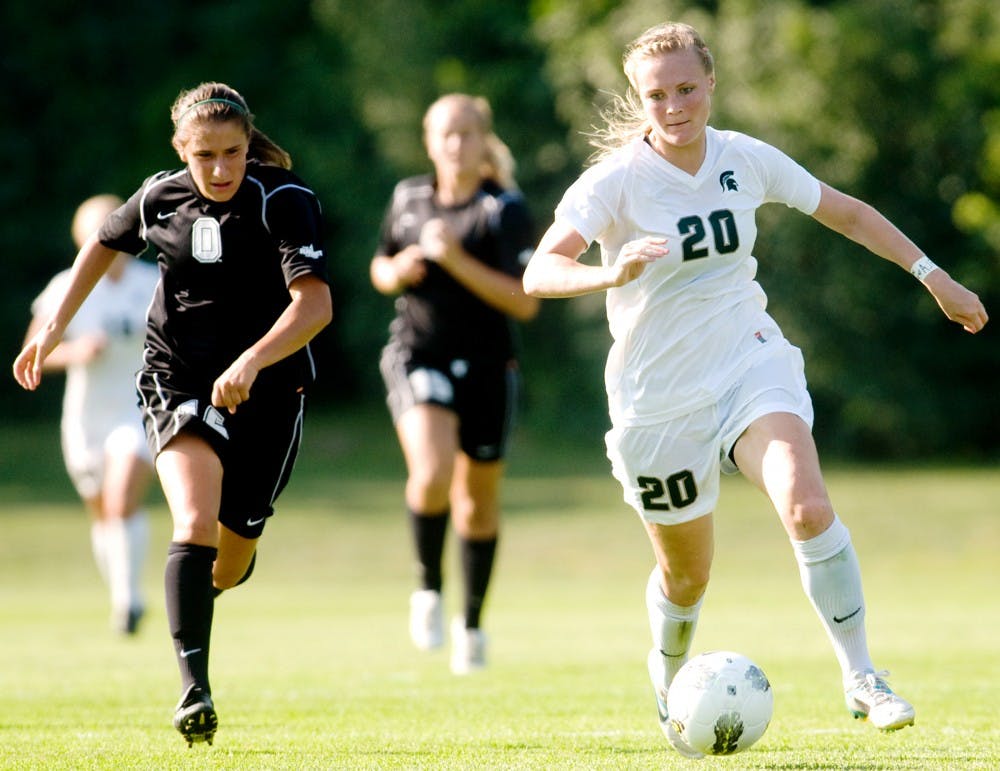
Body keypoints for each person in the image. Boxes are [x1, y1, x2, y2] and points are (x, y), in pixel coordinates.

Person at [522, 21, 987, 757]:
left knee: (806, 503)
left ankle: (863, 675)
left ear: (709, 84)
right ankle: (670, 680)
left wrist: (934, 276)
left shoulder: (744, 158)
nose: (674, 105)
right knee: (685, 575)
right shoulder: (614, 183)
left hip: (749, 359)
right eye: (657, 94)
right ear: (639, 100)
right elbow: (539, 271)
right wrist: (607, 273)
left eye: (685, 88)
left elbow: (847, 211)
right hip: (655, 400)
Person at [13, 82, 332, 748]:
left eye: (232, 154)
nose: (218, 169)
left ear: (250, 146)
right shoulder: (160, 195)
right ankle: (194, 689)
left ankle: (201, 593)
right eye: (204, 156)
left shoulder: (284, 201)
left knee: (230, 558)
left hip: (269, 391)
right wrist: (53, 327)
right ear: (180, 151)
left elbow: (314, 307)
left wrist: (251, 362)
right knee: (192, 518)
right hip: (176, 377)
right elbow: (102, 245)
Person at [370, 93, 539, 675]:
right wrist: (397, 270)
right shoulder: (409, 197)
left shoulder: (503, 209)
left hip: (489, 366)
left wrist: (455, 259)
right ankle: (427, 590)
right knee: (433, 471)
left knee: (478, 504)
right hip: (420, 354)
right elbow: (381, 265)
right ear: (428, 138)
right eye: (445, 133)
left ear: (483, 139)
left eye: (466, 133)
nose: (455, 144)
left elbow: (525, 302)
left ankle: (471, 625)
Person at [23, 194, 158, 636]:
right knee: (103, 512)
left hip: (138, 409)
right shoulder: (66, 286)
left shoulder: (152, 282)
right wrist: (76, 350)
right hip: (85, 417)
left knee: (121, 501)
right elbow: (35, 353)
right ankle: (122, 592)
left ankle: (128, 601)